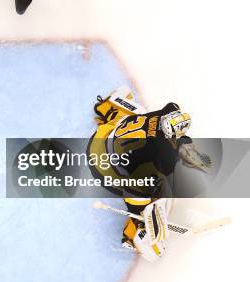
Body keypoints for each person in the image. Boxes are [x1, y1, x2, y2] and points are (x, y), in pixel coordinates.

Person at [87, 86, 211, 261]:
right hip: (103, 171)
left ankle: (108, 107)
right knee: (155, 192)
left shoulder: (163, 115)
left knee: (136, 116)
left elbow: (172, 107)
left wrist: (184, 145)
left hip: (97, 142)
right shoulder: (163, 157)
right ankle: (136, 230)